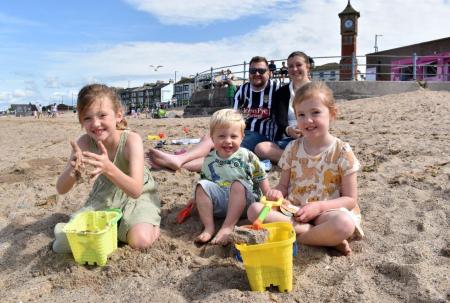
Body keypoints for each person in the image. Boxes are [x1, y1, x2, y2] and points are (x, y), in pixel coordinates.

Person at [247, 81, 364, 256]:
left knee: (344, 224)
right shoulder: (292, 148)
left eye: (315, 112)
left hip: (326, 211)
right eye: (301, 114)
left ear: (332, 114)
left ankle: (299, 236)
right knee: (254, 210)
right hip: (294, 211)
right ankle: (322, 238)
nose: (308, 120)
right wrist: (277, 193)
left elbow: (349, 200)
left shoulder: (342, 151)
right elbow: (283, 186)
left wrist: (318, 207)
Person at [52, 84, 161, 253]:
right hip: (105, 194)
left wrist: (108, 168)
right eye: (87, 118)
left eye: (102, 115)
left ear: (118, 116)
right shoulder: (84, 143)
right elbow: (61, 188)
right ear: (81, 121)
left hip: (137, 193)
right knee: (65, 244)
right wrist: (72, 171)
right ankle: (113, 229)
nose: (95, 123)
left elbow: (136, 190)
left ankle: (149, 224)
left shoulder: (131, 140)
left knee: (140, 241)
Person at [147, 56, 280, 172]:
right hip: (242, 132)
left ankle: (178, 164)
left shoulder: (277, 90)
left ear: (269, 73)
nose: (256, 73)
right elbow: (232, 118)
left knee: (221, 153)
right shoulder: (243, 90)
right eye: (252, 70)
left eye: (261, 71)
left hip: (263, 136)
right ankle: (179, 160)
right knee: (209, 138)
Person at [194, 109, 270, 245]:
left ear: (242, 137)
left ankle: (227, 227)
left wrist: (268, 193)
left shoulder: (247, 155)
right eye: (222, 136)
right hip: (221, 204)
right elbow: (206, 181)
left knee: (238, 184)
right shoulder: (209, 159)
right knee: (201, 185)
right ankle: (209, 227)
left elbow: (260, 175)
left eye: (233, 137)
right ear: (212, 138)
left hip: (246, 204)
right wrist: (197, 198)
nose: (228, 141)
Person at [255, 51, 314, 163]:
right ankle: (301, 160)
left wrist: (307, 130)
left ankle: (296, 158)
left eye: (298, 65)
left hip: (312, 136)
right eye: (290, 66)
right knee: (261, 148)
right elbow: (279, 120)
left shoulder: (319, 91)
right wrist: (288, 130)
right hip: (289, 139)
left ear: (308, 66)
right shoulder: (281, 93)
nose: (294, 69)